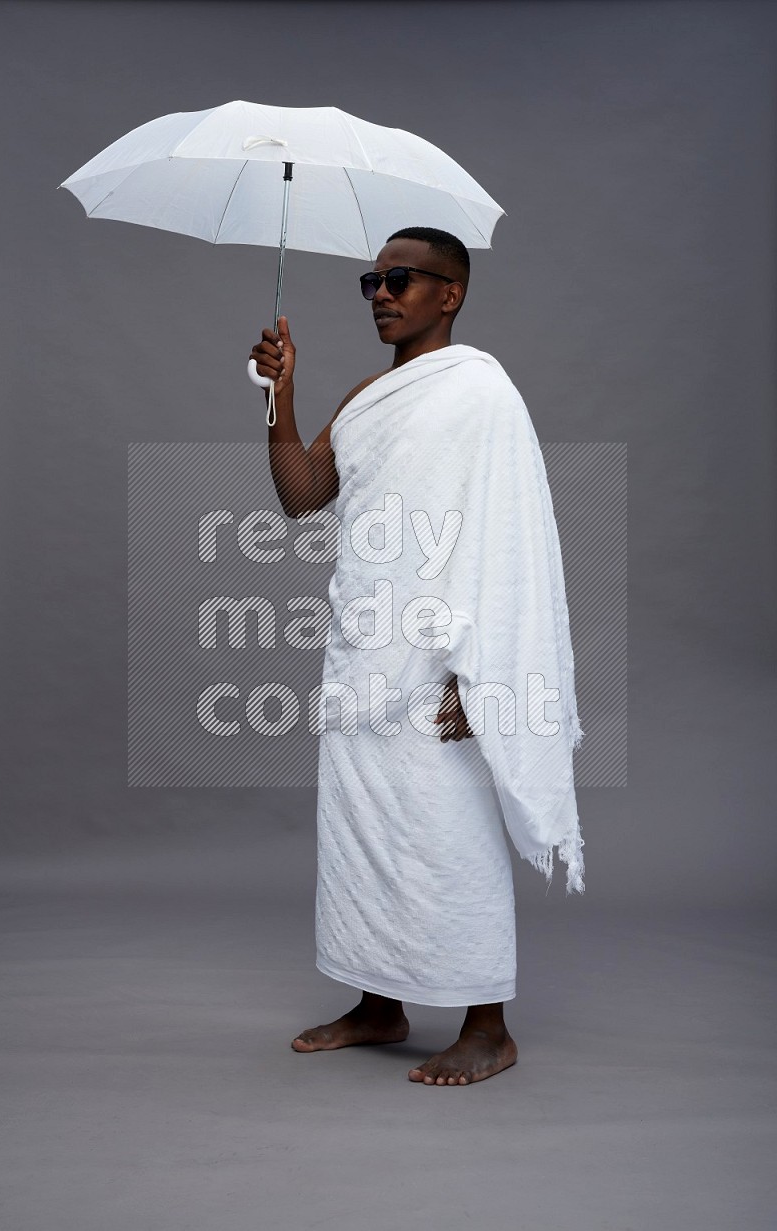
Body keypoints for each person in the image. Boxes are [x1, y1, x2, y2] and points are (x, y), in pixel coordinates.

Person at [249, 226, 579, 1086]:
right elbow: (301, 496)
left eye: (401, 279)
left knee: (447, 832)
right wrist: (282, 396)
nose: (382, 294)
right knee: (363, 829)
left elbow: (509, 541)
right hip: (363, 649)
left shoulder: (481, 392)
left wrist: (485, 672)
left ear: (451, 294)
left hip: (442, 660)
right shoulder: (366, 396)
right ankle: (380, 1002)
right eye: (371, 280)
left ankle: (487, 1024)